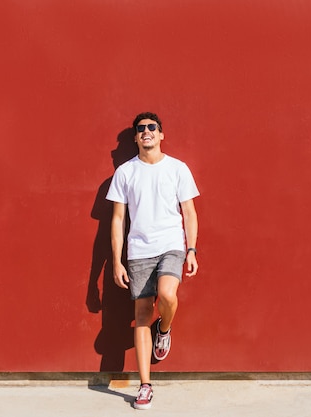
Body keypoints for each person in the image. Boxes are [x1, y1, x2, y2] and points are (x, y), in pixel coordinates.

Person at [106, 112, 199, 410]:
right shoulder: (125, 172)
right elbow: (118, 219)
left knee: (168, 294)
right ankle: (145, 385)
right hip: (138, 251)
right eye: (140, 129)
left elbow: (190, 212)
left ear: (161, 135)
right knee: (143, 313)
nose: (146, 132)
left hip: (171, 245)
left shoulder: (177, 169)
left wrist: (192, 249)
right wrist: (117, 261)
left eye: (152, 128)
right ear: (135, 138)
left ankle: (165, 329)